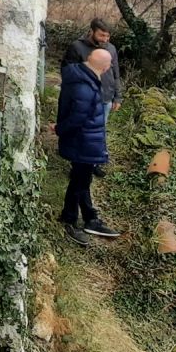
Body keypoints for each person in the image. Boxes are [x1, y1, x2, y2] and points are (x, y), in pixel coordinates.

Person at [56, 45, 120, 243]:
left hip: (85, 140)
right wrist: (59, 130)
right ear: (105, 68)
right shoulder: (84, 86)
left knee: (82, 180)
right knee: (79, 182)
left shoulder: (84, 77)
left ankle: (90, 218)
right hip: (82, 142)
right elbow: (78, 118)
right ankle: (69, 221)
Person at [64, 17, 122, 112]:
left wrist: (117, 97)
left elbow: (116, 75)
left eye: (108, 36)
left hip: (105, 100)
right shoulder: (77, 47)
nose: (105, 40)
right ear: (91, 31)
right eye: (102, 35)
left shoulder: (111, 49)